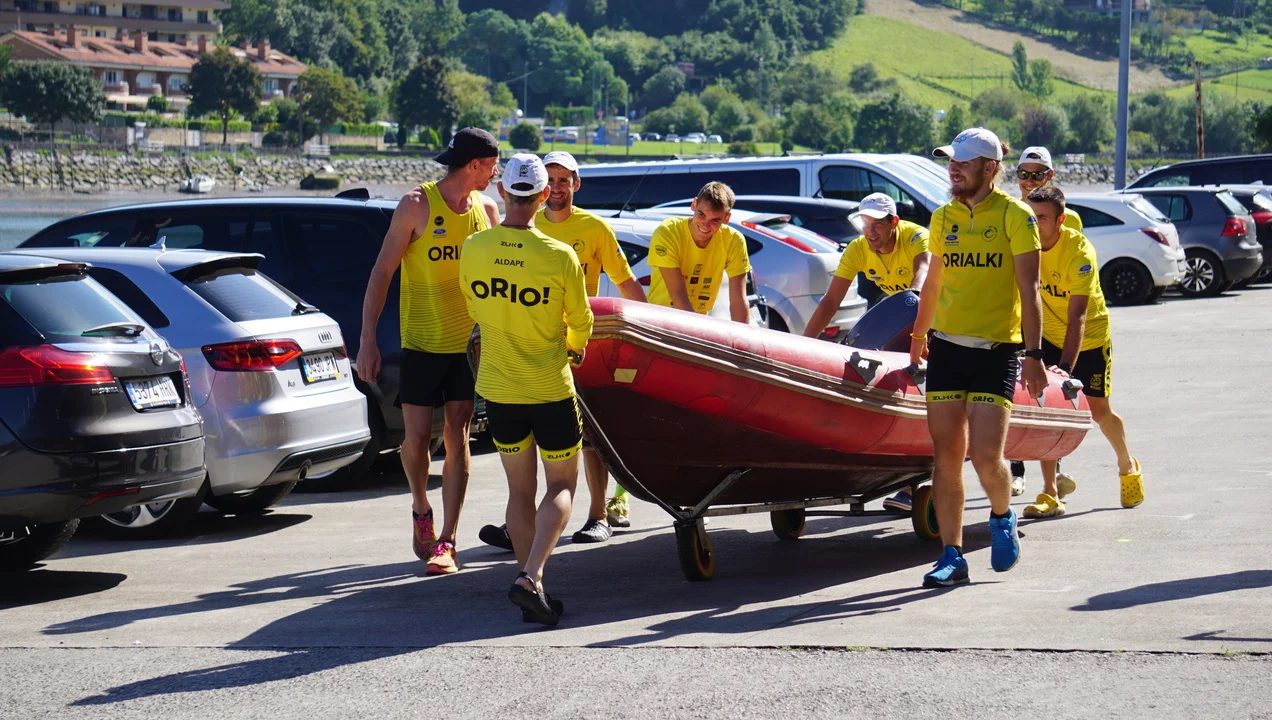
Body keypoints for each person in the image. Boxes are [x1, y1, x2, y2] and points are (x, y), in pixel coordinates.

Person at [477, 150, 645, 549]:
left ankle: (598, 516)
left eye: (564, 180)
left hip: (580, 349)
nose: (556, 187)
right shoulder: (525, 227)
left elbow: (627, 284)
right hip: (529, 348)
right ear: (539, 189)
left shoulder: (595, 228)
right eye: (550, 180)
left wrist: (646, 335)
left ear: (576, 184)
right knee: (531, 446)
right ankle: (526, 527)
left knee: (590, 439)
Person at [357, 127, 501, 575]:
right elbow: (382, 272)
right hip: (421, 342)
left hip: (467, 346)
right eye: (491, 166)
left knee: (458, 434)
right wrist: (367, 341)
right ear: (475, 165)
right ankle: (421, 506)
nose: (495, 175)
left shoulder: (487, 210)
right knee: (417, 439)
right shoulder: (417, 205)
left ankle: (448, 540)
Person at [909, 127, 1047, 588]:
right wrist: (918, 336)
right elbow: (933, 283)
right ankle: (951, 555)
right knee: (946, 455)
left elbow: (1029, 288)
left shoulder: (1015, 215)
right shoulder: (942, 217)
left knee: (987, 457)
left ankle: (1002, 516)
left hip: (996, 351)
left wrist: (1034, 354)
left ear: (990, 168)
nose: (953, 168)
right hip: (947, 348)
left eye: (963, 162)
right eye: (951, 161)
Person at [460, 153, 594, 626]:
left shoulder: (474, 246)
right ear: (543, 195)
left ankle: (528, 579)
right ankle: (531, 577)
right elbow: (582, 321)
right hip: (549, 387)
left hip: (498, 388)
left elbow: (473, 307)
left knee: (520, 489)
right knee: (561, 486)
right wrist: (573, 349)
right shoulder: (559, 255)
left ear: (502, 191)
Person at [803, 192, 932, 514]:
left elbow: (925, 270)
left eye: (878, 224)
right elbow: (830, 301)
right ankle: (871, 480)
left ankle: (912, 484)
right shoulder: (858, 248)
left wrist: (914, 299)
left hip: (936, 314)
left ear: (894, 222)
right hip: (904, 319)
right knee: (884, 390)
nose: (870, 231)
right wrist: (804, 344)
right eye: (865, 223)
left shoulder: (916, 236)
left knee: (923, 392)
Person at [1020, 186, 1144, 518]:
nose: (1034, 224)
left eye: (1041, 218)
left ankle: (1127, 464)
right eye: (1030, 217)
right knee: (1045, 409)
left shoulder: (1079, 252)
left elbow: (1078, 317)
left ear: (1060, 220)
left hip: (1089, 339)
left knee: (1099, 411)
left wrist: (1064, 368)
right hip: (1048, 334)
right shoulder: (1024, 244)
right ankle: (1050, 492)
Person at [1010, 145, 1082, 495]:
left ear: (1050, 176)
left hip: (1047, 319)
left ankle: (1053, 471)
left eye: (1037, 174)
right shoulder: (1010, 212)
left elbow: (1070, 271)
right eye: (1023, 173)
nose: (1029, 180)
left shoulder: (1069, 219)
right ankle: (1016, 469)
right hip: (1013, 317)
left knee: (1048, 394)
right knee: (1014, 394)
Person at [647, 181, 752, 323]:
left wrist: (742, 335)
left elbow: (738, 300)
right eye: (701, 214)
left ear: (726, 218)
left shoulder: (734, 240)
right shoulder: (668, 231)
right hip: (659, 319)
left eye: (715, 220)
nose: (705, 225)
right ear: (694, 204)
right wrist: (697, 331)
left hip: (698, 319)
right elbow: (678, 295)